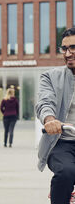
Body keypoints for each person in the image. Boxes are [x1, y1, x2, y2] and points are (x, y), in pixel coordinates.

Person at [36, 27, 75, 204]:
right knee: (66, 173)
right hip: (61, 142)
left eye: (73, 48)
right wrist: (49, 120)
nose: (68, 53)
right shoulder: (50, 76)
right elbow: (45, 101)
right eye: (64, 49)